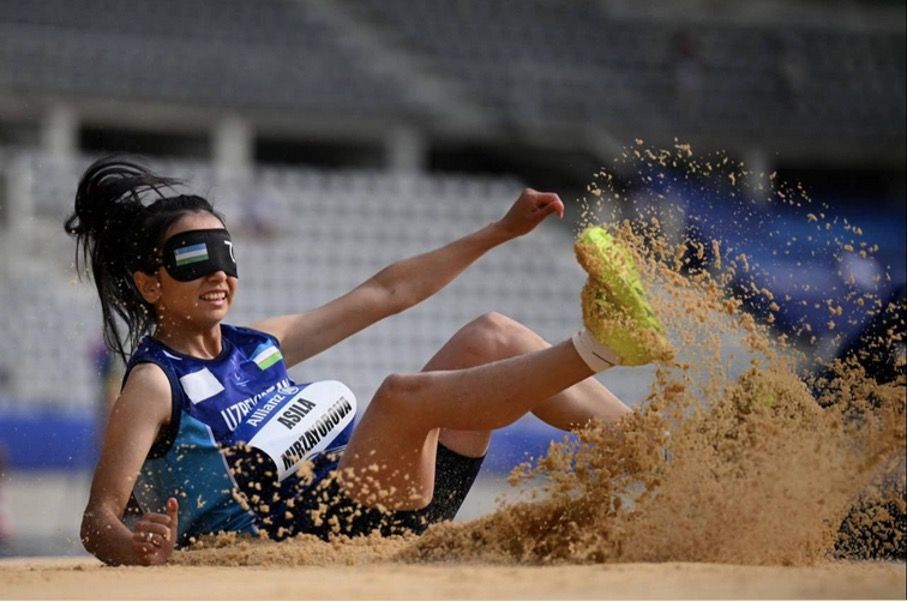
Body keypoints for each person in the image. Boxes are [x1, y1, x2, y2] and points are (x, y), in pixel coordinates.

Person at [67, 157, 670, 566]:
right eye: (193, 259)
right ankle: (603, 346)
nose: (219, 273)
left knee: (492, 333)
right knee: (402, 395)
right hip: (318, 532)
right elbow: (98, 518)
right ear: (150, 285)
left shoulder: (256, 344)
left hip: (388, 501)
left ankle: (670, 453)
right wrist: (134, 546)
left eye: (225, 254)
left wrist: (500, 231)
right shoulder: (153, 383)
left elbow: (385, 294)